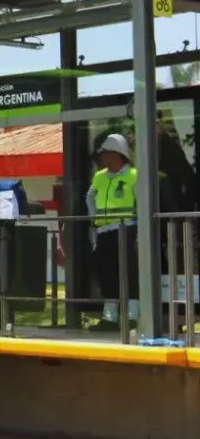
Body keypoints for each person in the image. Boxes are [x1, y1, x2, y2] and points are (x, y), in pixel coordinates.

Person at [86, 133, 139, 331]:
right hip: (104, 231)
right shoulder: (99, 177)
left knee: (128, 272)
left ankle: (132, 317)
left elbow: (142, 201)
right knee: (106, 274)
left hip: (127, 229)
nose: (102, 158)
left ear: (118, 154)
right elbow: (89, 198)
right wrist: (94, 220)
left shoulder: (134, 175)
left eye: (106, 153)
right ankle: (110, 317)